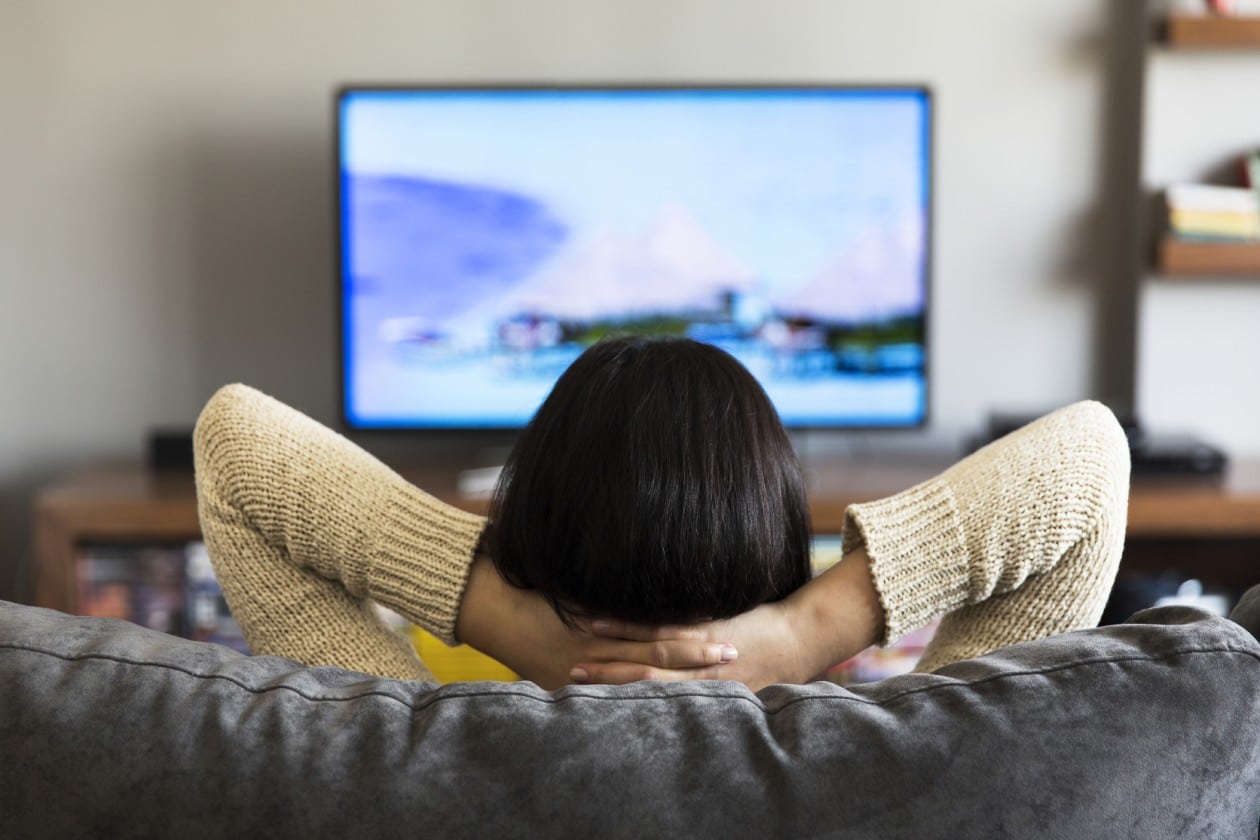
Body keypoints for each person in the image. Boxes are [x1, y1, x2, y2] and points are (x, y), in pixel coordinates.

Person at [193, 337, 1130, 690]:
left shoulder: (405, 764)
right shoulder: (908, 769)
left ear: (532, 537)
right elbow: (1089, 457)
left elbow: (234, 444)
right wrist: (808, 632)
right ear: (775, 553)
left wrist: (508, 625)